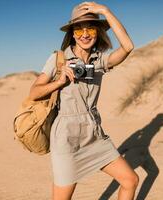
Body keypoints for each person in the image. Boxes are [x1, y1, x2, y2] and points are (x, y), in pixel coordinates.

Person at [29, 2, 139, 200]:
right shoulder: (58, 59)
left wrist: (105, 11)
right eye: (79, 29)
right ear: (72, 34)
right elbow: (34, 93)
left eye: (90, 27)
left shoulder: (99, 61)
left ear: (98, 32)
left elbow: (128, 47)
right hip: (66, 138)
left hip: (94, 134)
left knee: (130, 180)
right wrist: (59, 81)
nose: (85, 34)